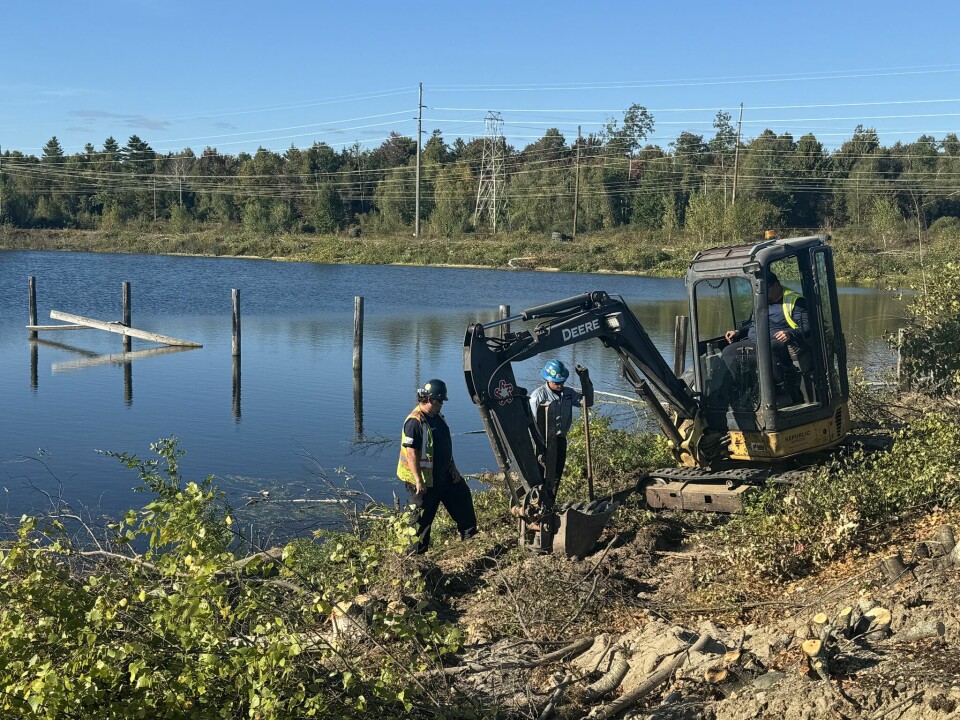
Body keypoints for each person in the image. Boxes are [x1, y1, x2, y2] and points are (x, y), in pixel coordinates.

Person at [397, 378, 478, 554]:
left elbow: (444, 445)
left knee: (463, 499)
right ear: (431, 399)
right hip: (424, 483)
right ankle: (415, 561)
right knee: (420, 523)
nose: (442, 404)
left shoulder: (437, 417)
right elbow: (411, 454)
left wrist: (453, 468)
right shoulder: (415, 422)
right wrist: (418, 480)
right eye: (440, 401)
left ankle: (470, 542)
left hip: (444, 476)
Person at [721, 271, 809, 388]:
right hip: (754, 342)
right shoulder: (762, 299)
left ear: (776, 286)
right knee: (728, 351)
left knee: (767, 349)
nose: (761, 293)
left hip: (779, 344)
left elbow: (808, 326)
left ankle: (780, 389)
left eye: (764, 289)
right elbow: (753, 323)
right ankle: (745, 391)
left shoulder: (795, 301)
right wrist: (738, 332)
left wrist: (789, 333)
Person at [528, 360, 594, 481]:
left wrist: (586, 382)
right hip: (543, 442)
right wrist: (539, 447)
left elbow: (588, 402)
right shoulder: (537, 396)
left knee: (556, 477)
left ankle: (552, 500)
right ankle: (542, 499)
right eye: (557, 382)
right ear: (548, 380)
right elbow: (533, 424)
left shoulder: (568, 393)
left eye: (562, 382)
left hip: (560, 440)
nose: (560, 385)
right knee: (541, 477)